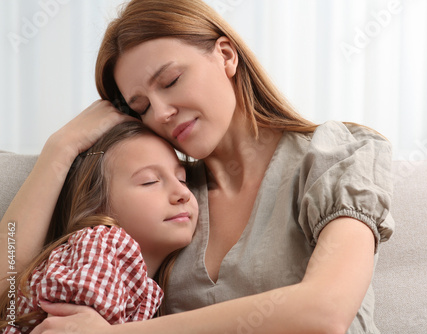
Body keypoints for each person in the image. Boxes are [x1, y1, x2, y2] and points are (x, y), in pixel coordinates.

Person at [0, 0, 395, 333]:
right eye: (141, 107)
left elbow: (324, 312)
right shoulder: (166, 199)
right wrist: (61, 147)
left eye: (170, 81)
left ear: (225, 55)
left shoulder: (337, 154)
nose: (162, 112)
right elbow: (10, 293)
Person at [0, 121, 198, 333]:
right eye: (149, 181)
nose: (183, 193)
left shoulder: (137, 277)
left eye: (182, 179)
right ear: (98, 208)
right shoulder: (102, 245)